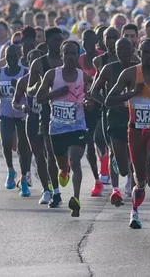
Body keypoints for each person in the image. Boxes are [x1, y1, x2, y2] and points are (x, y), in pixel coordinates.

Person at [107, 39, 150, 232]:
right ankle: (134, 210)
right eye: (146, 52)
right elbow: (109, 99)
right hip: (136, 131)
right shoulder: (130, 73)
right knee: (141, 180)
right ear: (139, 53)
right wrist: (131, 95)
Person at [36, 40, 90, 217]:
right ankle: (63, 171)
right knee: (63, 165)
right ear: (61, 55)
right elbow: (40, 98)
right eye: (67, 53)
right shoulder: (52, 75)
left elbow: (90, 97)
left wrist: (89, 103)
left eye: (74, 53)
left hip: (78, 127)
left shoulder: (84, 77)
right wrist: (54, 94)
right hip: (57, 129)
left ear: (78, 56)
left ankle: (75, 199)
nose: (70, 57)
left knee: (75, 161)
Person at [90, 38, 136, 207]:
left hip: (133, 117)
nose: (123, 52)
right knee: (114, 153)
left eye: (126, 49)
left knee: (132, 153)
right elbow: (94, 92)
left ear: (133, 49)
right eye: (120, 49)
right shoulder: (109, 69)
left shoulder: (137, 68)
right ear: (115, 51)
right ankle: (116, 188)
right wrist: (108, 102)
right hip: (114, 117)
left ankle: (130, 183)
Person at [27, 27, 64, 207]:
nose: (60, 43)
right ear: (48, 42)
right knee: (47, 154)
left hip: (69, 114)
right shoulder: (39, 63)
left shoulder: (68, 61)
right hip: (46, 113)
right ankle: (51, 191)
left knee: (61, 156)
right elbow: (29, 89)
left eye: (61, 39)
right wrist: (41, 86)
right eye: (56, 40)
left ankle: (61, 174)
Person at [0, 45, 31, 196]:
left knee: (23, 148)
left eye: (14, 56)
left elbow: (33, 90)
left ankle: (24, 179)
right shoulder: (0, 73)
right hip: (5, 111)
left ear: (19, 56)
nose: (11, 59)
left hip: (21, 112)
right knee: (6, 141)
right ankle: (11, 170)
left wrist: (20, 88)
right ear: (5, 57)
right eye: (8, 56)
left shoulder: (25, 72)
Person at [13, 48, 53, 204]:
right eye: (33, 61)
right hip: (32, 120)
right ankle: (46, 190)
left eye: (40, 60)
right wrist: (22, 107)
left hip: (48, 119)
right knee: (38, 155)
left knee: (51, 155)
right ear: (28, 63)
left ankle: (52, 180)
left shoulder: (51, 78)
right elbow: (15, 102)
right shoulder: (23, 81)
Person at [79, 29, 106, 197]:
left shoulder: (103, 56)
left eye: (89, 40)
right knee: (89, 143)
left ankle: (105, 166)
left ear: (95, 41)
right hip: (86, 105)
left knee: (100, 138)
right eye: (83, 40)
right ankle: (97, 180)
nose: (86, 44)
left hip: (102, 103)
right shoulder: (79, 59)